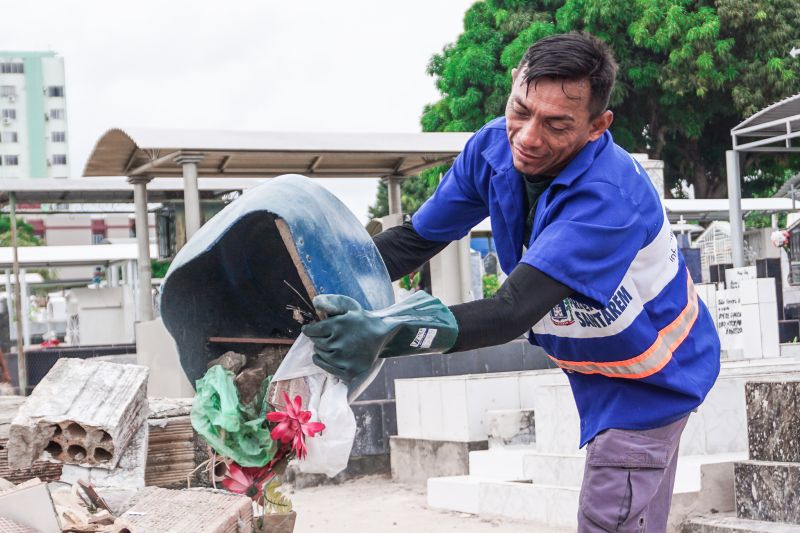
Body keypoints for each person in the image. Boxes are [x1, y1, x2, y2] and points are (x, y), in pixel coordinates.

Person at [303, 32, 720, 532]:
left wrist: (386, 334)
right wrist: (314, 284)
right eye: (520, 109)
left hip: (654, 382)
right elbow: (415, 240)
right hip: (601, 368)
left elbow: (511, 310)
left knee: (606, 517)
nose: (527, 137)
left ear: (597, 126)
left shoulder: (608, 199)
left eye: (556, 124)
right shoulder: (493, 149)